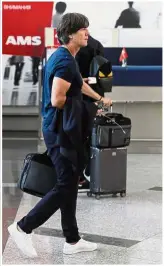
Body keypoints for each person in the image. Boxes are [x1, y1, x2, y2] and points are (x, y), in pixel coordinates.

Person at [8, 13, 112, 257]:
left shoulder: (66, 58)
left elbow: (77, 84)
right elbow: (57, 99)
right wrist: (89, 108)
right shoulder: (65, 61)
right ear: (69, 34)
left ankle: (72, 240)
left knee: (71, 182)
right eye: (82, 29)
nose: (87, 32)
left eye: (87, 28)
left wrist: (99, 98)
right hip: (60, 131)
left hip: (63, 129)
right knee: (65, 183)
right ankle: (23, 227)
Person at [76, 35, 105, 189]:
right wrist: (100, 98)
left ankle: (78, 176)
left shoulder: (77, 49)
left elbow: (76, 80)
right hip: (95, 95)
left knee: (78, 137)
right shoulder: (98, 45)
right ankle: (89, 170)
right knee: (90, 136)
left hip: (80, 99)